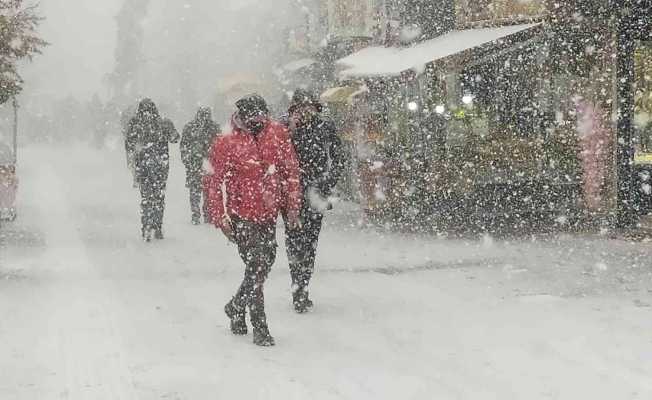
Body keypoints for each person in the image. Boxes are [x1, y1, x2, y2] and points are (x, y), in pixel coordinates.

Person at [204, 94, 301, 346]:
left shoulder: (277, 133)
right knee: (257, 264)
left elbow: (290, 171)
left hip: (268, 212)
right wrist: (220, 216)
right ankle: (260, 326)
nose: (259, 122)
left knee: (264, 263)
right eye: (253, 118)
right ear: (242, 117)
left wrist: (292, 207)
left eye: (262, 117)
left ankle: (236, 306)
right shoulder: (226, 141)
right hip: (241, 214)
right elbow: (214, 182)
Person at [283, 89, 345, 313]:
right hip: (291, 192)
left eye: (308, 106)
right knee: (294, 240)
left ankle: (303, 284)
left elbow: (338, 157)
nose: (305, 111)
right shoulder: (285, 126)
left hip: (316, 191)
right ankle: (297, 286)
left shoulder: (325, 126)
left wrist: (327, 182)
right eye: (301, 106)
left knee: (310, 241)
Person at [126, 99, 179, 241]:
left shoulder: (135, 124)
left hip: (143, 166)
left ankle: (146, 226)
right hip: (161, 166)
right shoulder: (163, 123)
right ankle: (158, 226)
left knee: (146, 197)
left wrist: (134, 161)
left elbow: (129, 144)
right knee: (159, 197)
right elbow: (175, 138)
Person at [181, 107, 221, 224]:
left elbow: (184, 146)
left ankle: (196, 214)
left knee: (195, 191)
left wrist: (187, 159)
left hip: (195, 164)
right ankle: (206, 214)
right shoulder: (214, 128)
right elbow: (219, 145)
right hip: (207, 164)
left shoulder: (190, 127)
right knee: (207, 190)